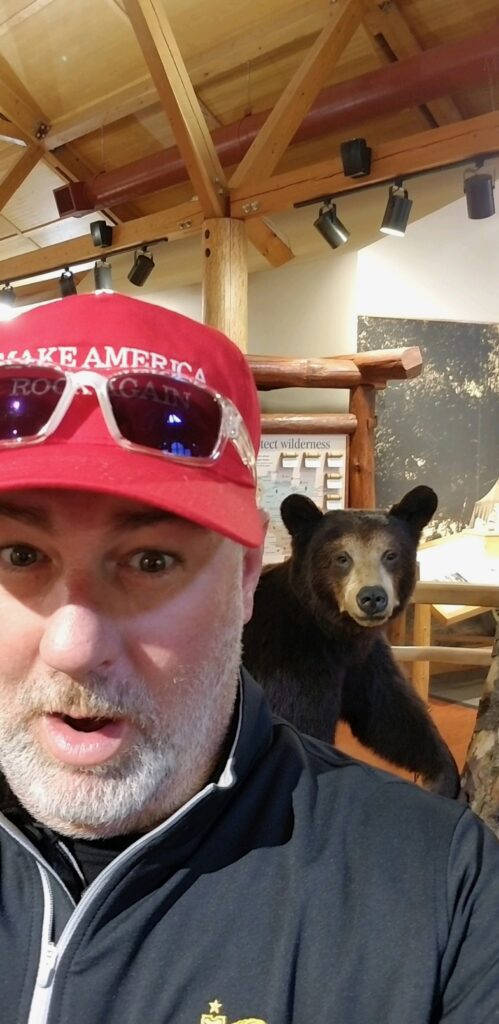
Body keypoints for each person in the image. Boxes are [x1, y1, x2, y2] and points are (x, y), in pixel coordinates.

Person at [0, 292, 497, 1024]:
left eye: (151, 559)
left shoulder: (441, 889)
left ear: (243, 579)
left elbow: (381, 705)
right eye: (18, 554)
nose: (75, 644)